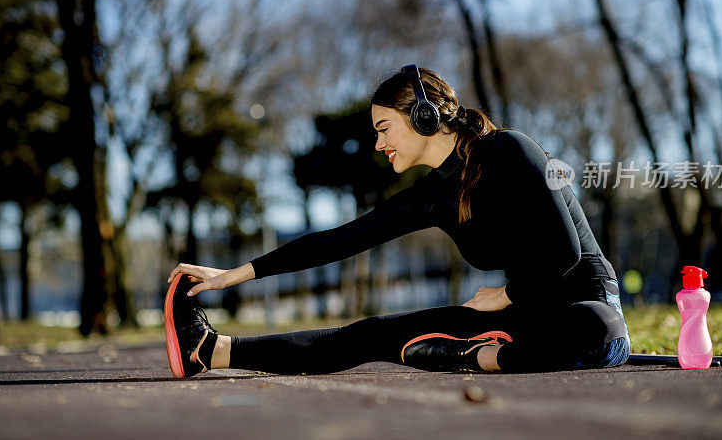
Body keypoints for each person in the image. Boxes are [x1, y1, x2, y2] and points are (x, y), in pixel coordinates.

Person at [163, 65, 630, 378]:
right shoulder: (430, 197)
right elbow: (339, 241)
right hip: (523, 322)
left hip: (583, 306)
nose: (377, 144)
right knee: (371, 334)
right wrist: (236, 274)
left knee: (593, 329)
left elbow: (566, 256)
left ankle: (485, 356)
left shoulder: (512, 150)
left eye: (384, 129)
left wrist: (509, 294)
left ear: (424, 116)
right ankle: (212, 350)